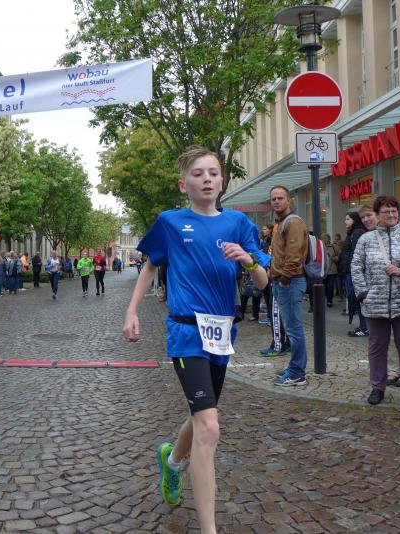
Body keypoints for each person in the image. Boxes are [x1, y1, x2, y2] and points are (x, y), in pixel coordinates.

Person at [122, 147, 269, 532]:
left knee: (202, 415)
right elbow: (150, 266)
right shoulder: (170, 222)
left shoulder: (238, 223)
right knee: (210, 427)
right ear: (183, 184)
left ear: (222, 181)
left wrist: (249, 261)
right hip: (186, 332)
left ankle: (172, 461)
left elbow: (262, 281)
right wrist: (132, 311)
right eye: (198, 173)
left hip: (222, 333)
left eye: (213, 173)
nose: (207, 179)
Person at [351, 195, 400, 409]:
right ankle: (377, 387)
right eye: (386, 211)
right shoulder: (366, 239)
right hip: (374, 303)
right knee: (377, 347)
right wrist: (363, 294)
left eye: (394, 210)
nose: (391, 214)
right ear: (377, 215)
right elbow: (356, 267)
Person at [269, 185, 309, 387]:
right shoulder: (282, 222)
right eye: (273, 199)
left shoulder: (292, 222)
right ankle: (295, 368)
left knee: (293, 329)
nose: (276, 201)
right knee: (292, 327)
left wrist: (284, 279)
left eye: (280, 198)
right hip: (284, 281)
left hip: (290, 282)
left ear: (289, 200)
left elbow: (294, 255)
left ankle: (297, 372)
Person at [338, 212, 369, 337]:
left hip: (353, 272)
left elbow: (357, 254)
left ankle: (364, 327)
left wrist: (352, 268)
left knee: (359, 298)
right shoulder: (353, 233)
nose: (345, 221)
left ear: (354, 220)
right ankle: (364, 326)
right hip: (350, 271)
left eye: (347, 219)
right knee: (357, 299)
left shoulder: (356, 233)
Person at [322, 234, 339, 308]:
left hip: (332, 270)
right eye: (323, 238)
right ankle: (326, 298)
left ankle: (329, 301)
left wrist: (333, 258)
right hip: (323, 271)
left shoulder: (333, 247)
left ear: (329, 239)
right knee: (324, 286)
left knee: (330, 286)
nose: (324, 240)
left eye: (325, 238)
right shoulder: (321, 247)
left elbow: (339, 256)